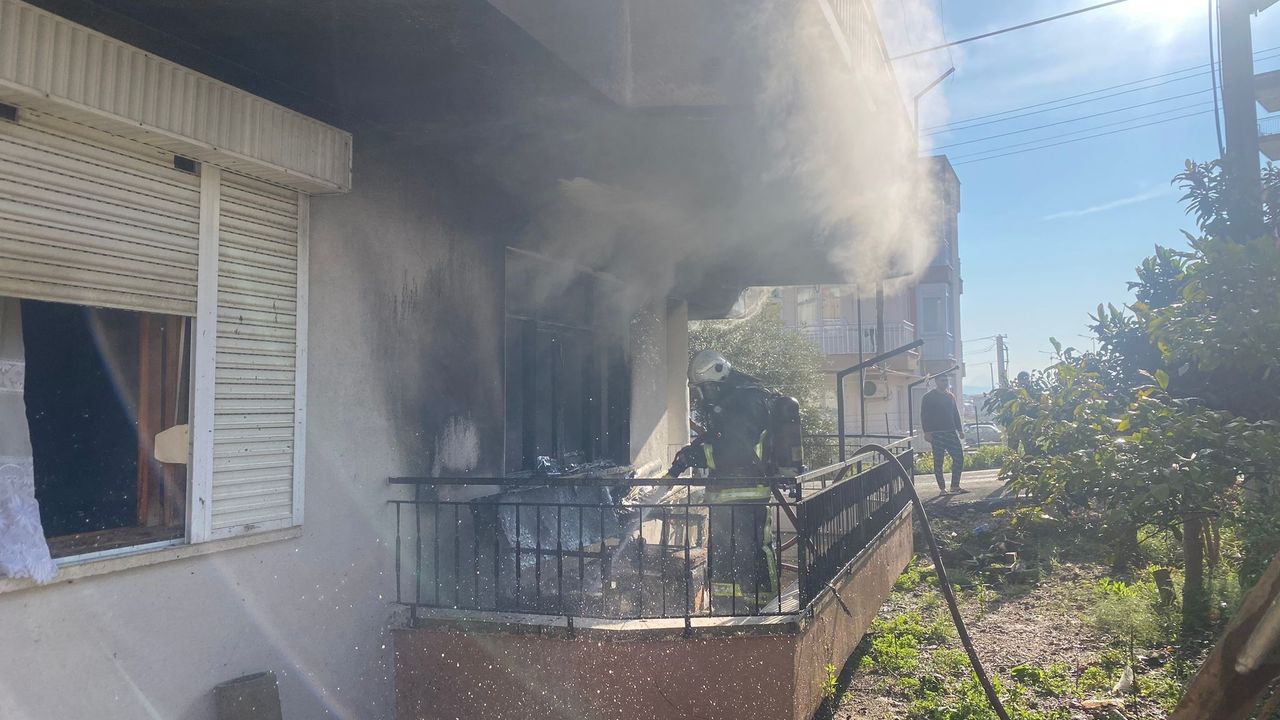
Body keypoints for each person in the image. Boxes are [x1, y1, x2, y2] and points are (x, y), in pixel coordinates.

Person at [668, 349, 776, 613]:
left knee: (752, 553)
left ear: (720, 377)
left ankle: (764, 610)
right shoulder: (730, 403)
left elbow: (734, 452)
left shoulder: (747, 402)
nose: (704, 395)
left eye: (706, 388)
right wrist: (688, 454)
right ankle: (725, 607)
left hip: (748, 494)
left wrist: (696, 456)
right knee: (723, 555)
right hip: (724, 496)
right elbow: (719, 438)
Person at [921, 375, 965, 493]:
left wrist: (960, 430)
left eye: (947, 380)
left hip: (951, 432)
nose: (945, 383)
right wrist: (927, 432)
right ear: (936, 381)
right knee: (938, 461)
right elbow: (924, 415)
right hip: (936, 433)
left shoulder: (950, 396)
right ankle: (942, 488)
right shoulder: (928, 397)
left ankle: (955, 486)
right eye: (943, 380)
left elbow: (955, 414)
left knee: (959, 457)